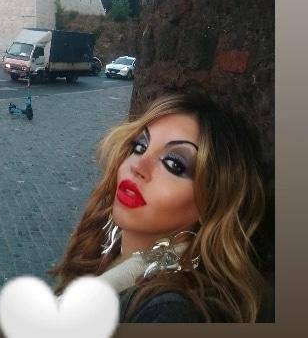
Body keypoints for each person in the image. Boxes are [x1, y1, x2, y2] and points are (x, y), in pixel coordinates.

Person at [49, 89, 271, 322]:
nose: (138, 166)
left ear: (214, 202)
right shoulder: (102, 248)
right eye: (139, 146)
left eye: (174, 164)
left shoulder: (169, 311)